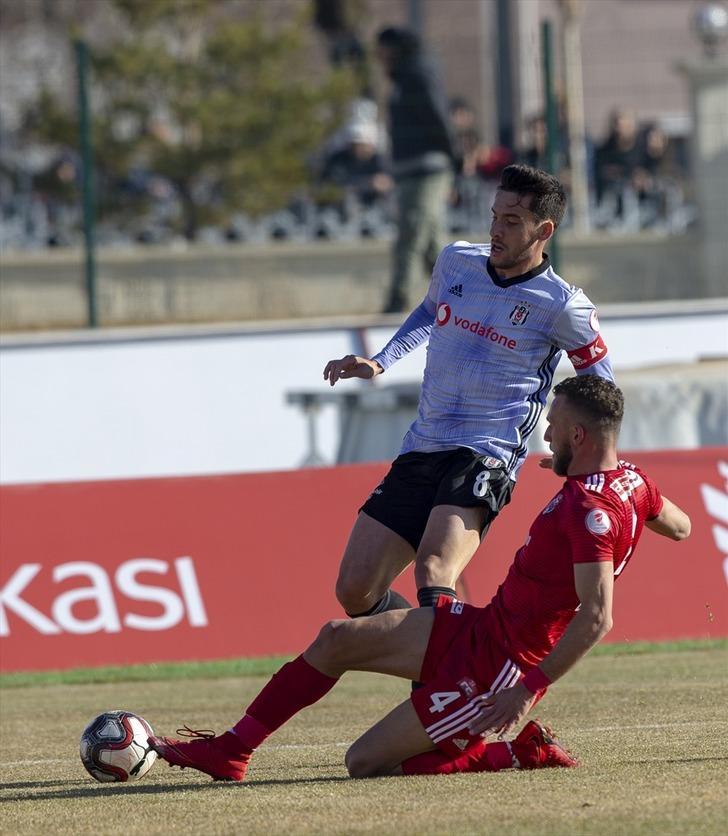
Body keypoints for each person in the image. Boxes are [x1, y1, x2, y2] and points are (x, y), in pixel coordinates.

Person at [147, 375, 691, 781]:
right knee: (336, 636)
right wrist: (587, 479)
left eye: (553, 425)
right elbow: (682, 527)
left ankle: (512, 751)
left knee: (364, 763)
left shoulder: (587, 511)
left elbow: (598, 616)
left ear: (579, 432)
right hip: (483, 628)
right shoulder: (631, 483)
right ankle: (233, 751)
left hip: (499, 671)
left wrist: (526, 690)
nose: (545, 433)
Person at [322, 164, 615, 628]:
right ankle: (442, 654)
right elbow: (428, 309)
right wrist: (380, 361)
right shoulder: (456, 261)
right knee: (355, 590)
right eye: (495, 216)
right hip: (424, 442)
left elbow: (602, 388)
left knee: (434, 570)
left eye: (512, 222)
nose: (497, 230)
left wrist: (574, 449)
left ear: (544, 230)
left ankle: (441, 689)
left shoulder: (563, 304)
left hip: (487, 453)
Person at [375, 26, 458, 313]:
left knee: (411, 233)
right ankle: (456, 298)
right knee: (431, 243)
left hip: (427, 168)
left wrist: (454, 154)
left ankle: (398, 299)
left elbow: (437, 116)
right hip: (411, 170)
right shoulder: (402, 78)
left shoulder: (418, 74)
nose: (379, 58)